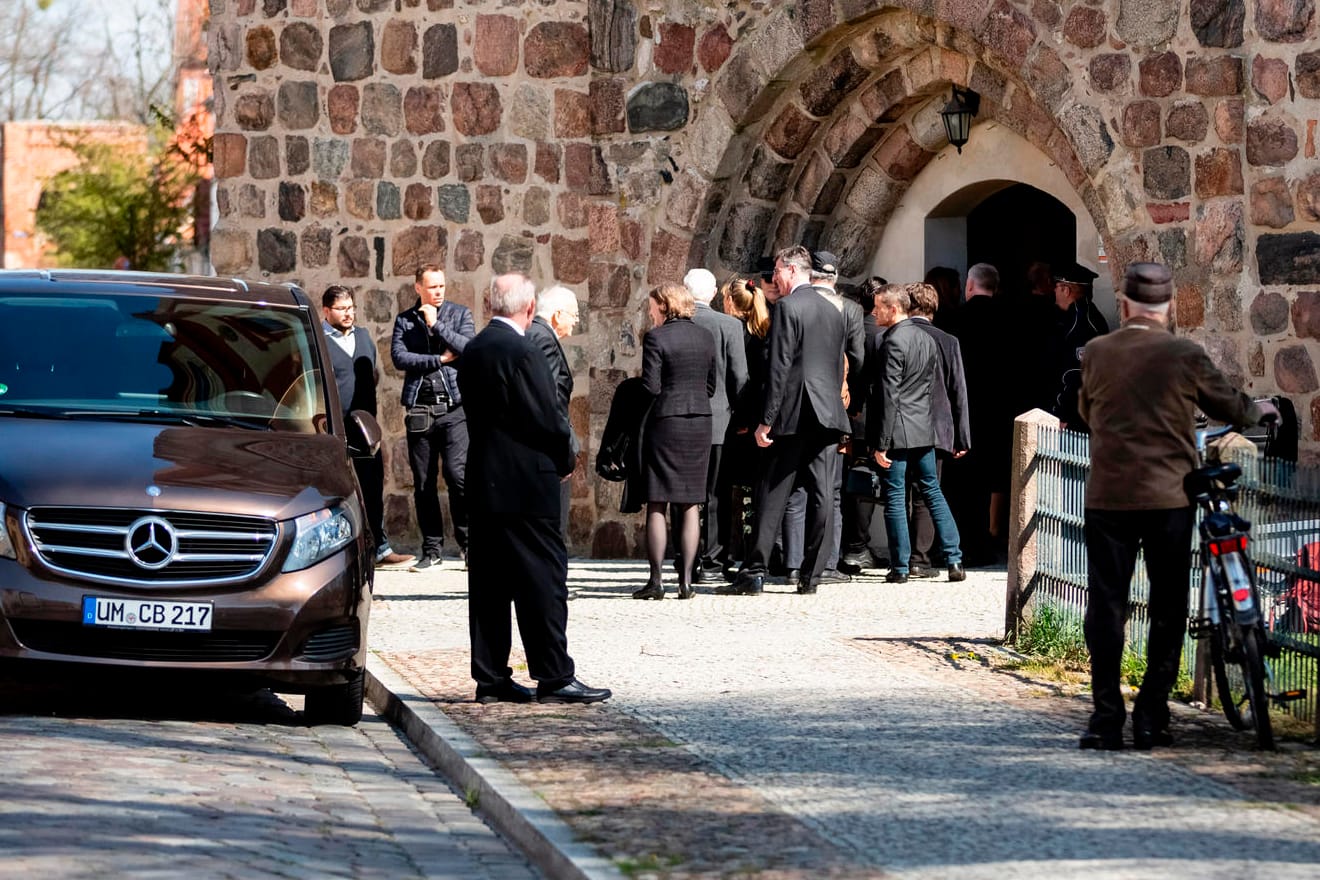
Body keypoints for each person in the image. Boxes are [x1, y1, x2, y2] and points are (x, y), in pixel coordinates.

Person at [1077, 262, 1275, 750]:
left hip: (1110, 495)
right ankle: (1151, 715)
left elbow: (1085, 410)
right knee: (1168, 605)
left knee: (1107, 605)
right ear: (1169, 308)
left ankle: (1106, 719)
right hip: (1169, 496)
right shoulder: (1184, 353)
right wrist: (1258, 410)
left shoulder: (1098, 352)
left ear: (1124, 305)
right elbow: (1229, 404)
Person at [456, 273, 611, 705]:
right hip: (527, 483)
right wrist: (565, 462)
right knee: (542, 580)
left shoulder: (473, 350)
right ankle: (554, 675)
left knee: (489, 586)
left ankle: (490, 678)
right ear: (528, 309)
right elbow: (548, 416)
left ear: (491, 304)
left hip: (485, 480)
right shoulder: (523, 351)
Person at [719, 245, 855, 596]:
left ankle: (755, 571)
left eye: (778, 270)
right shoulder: (834, 310)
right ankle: (811, 575)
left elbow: (779, 368)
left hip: (794, 413)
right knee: (823, 493)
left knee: (772, 491)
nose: (774, 278)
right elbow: (838, 362)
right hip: (827, 414)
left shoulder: (788, 308)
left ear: (793, 270)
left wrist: (767, 420)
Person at [867, 284, 964, 584]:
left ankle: (900, 567)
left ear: (893, 309)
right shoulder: (926, 339)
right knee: (933, 492)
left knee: (895, 496)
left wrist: (881, 443)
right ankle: (954, 558)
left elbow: (888, 395)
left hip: (898, 431)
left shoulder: (892, 341)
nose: (873, 312)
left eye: (878, 307)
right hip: (924, 428)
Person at [322, 286, 416, 569]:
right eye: (342, 308)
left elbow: (372, 376)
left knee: (372, 487)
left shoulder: (364, 338)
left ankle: (380, 548)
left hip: (364, 428)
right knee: (334, 491)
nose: (348, 313)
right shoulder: (321, 342)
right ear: (326, 311)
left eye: (351, 307)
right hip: (333, 429)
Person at [634, 283, 717, 600]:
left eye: (653, 306)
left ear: (665, 306)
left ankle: (656, 582)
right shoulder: (705, 336)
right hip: (699, 422)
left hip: (666, 421)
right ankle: (686, 583)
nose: (651, 312)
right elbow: (711, 385)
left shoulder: (656, 338)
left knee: (657, 501)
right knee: (691, 502)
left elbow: (651, 386)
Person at [391, 264, 475, 571]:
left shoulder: (460, 314)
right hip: (420, 410)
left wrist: (437, 325)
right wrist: (438, 359)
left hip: (454, 409)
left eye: (441, 286)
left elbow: (467, 347)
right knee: (423, 482)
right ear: (418, 288)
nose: (438, 291)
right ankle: (432, 549)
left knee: (458, 476)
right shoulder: (405, 320)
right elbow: (400, 358)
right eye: (432, 286)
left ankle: (469, 546)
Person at [683, 268, 747, 582]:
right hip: (720, 420)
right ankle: (712, 560)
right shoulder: (729, 325)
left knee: (682, 493)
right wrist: (743, 417)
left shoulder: (674, 326)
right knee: (716, 493)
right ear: (711, 294)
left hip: (680, 423)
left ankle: (685, 558)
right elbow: (739, 378)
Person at [905, 281, 971, 577]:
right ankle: (920, 557)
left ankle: (904, 557)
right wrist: (962, 436)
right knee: (928, 493)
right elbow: (958, 391)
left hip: (904, 425)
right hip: (938, 427)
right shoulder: (948, 341)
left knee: (900, 492)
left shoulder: (897, 336)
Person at [950, 263, 1009, 566]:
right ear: (995, 288)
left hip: (964, 411)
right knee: (989, 482)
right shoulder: (1010, 319)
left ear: (970, 286)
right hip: (998, 412)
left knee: (961, 484)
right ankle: (986, 541)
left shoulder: (955, 319)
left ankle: (962, 544)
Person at [527, 285, 581, 542]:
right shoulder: (543, 339)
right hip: (547, 452)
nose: (576, 321)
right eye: (574, 314)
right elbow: (548, 401)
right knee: (552, 529)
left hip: (540, 449)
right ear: (558, 315)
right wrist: (563, 452)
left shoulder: (535, 333)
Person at [1049, 261, 1109, 432]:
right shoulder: (1077, 317)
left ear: (1066, 290)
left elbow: (1077, 373)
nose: (1054, 291)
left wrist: (1061, 413)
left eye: (1057, 286)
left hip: (1077, 420)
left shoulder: (1083, 323)